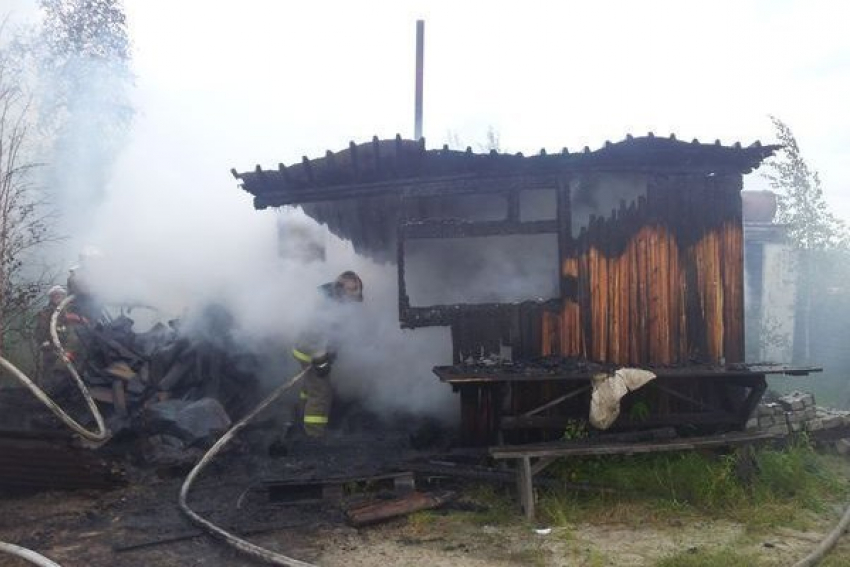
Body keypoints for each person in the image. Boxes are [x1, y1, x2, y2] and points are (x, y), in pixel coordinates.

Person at [292, 271, 363, 437]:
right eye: (352, 289)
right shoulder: (327, 303)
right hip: (310, 351)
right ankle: (314, 434)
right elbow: (318, 333)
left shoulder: (332, 297)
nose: (356, 293)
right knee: (321, 391)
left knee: (309, 387)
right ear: (340, 288)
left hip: (306, 349)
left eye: (357, 289)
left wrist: (330, 352)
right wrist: (321, 360)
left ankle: (300, 418)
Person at [34, 285, 84, 384]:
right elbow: (40, 333)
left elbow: (73, 333)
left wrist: (79, 319)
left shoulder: (68, 311)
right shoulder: (46, 312)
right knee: (52, 374)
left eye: (61, 295)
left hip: (68, 350)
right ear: (51, 297)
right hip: (52, 350)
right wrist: (48, 345)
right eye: (55, 295)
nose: (58, 297)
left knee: (68, 377)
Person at [66, 246, 105, 323]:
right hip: (79, 311)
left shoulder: (94, 273)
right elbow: (79, 289)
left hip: (92, 311)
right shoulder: (76, 272)